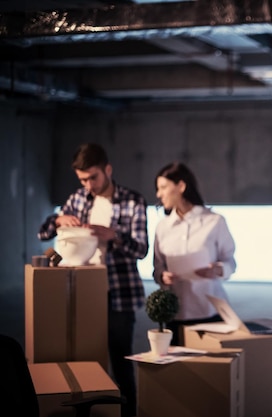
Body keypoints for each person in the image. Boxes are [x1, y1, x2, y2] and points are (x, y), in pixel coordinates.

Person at [38, 143, 148, 417]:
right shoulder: (78, 198)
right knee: (84, 360)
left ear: (108, 170)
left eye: (93, 177)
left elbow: (142, 250)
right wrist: (57, 219)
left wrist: (115, 236)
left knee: (122, 362)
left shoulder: (133, 201)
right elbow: (43, 234)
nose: (88, 185)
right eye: (83, 179)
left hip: (119, 293)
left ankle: (127, 413)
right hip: (82, 291)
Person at [152, 162, 237, 345]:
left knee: (210, 371)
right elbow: (158, 266)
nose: (159, 194)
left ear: (181, 186)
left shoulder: (214, 221)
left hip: (210, 310)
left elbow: (230, 261)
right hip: (175, 313)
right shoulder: (162, 227)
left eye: (163, 188)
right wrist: (162, 276)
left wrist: (218, 270)